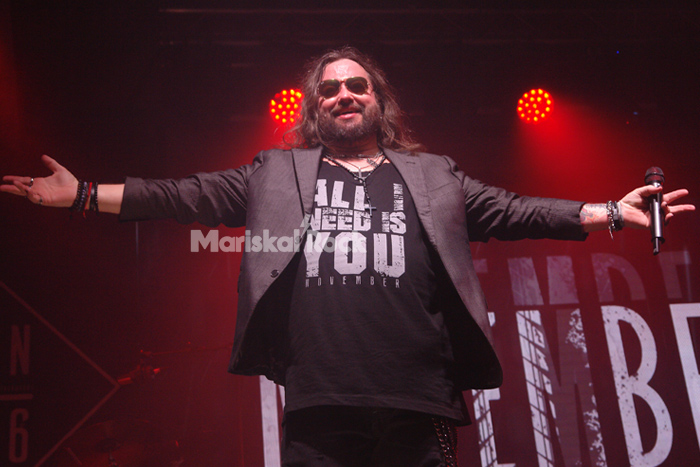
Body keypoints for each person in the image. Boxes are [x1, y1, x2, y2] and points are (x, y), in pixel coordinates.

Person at [1, 47, 694, 467]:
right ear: (315, 110)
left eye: (356, 85)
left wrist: (608, 211)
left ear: (377, 102)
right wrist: (84, 194)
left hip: (420, 399)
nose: (344, 95)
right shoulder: (277, 172)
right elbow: (183, 195)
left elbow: (514, 210)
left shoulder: (434, 175)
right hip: (320, 400)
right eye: (330, 89)